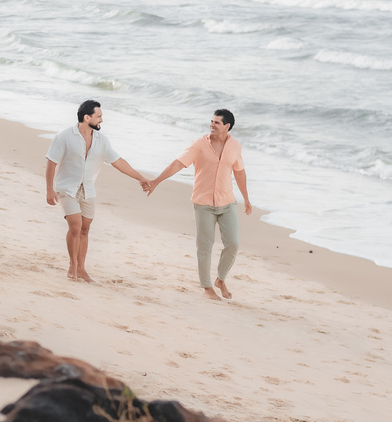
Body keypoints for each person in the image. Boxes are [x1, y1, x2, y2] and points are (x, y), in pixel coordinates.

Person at [148, 109, 253, 301]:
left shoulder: (235, 146)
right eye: (211, 121)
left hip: (227, 202)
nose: (212, 125)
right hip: (203, 203)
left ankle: (220, 279)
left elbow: (239, 172)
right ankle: (207, 287)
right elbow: (178, 163)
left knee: (233, 244)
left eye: (217, 122)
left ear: (227, 126)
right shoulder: (199, 144)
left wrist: (246, 198)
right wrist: (156, 181)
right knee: (205, 246)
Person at [45, 99, 151, 282]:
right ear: (87, 118)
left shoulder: (102, 140)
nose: (102, 119)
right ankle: (73, 265)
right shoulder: (64, 136)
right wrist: (49, 190)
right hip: (67, 188)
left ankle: (81, 268)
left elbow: (118, 162)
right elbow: (51, 162)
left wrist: (140, 177)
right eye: (99, 116)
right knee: (75, 226)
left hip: (88, 190)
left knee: (85, 229)